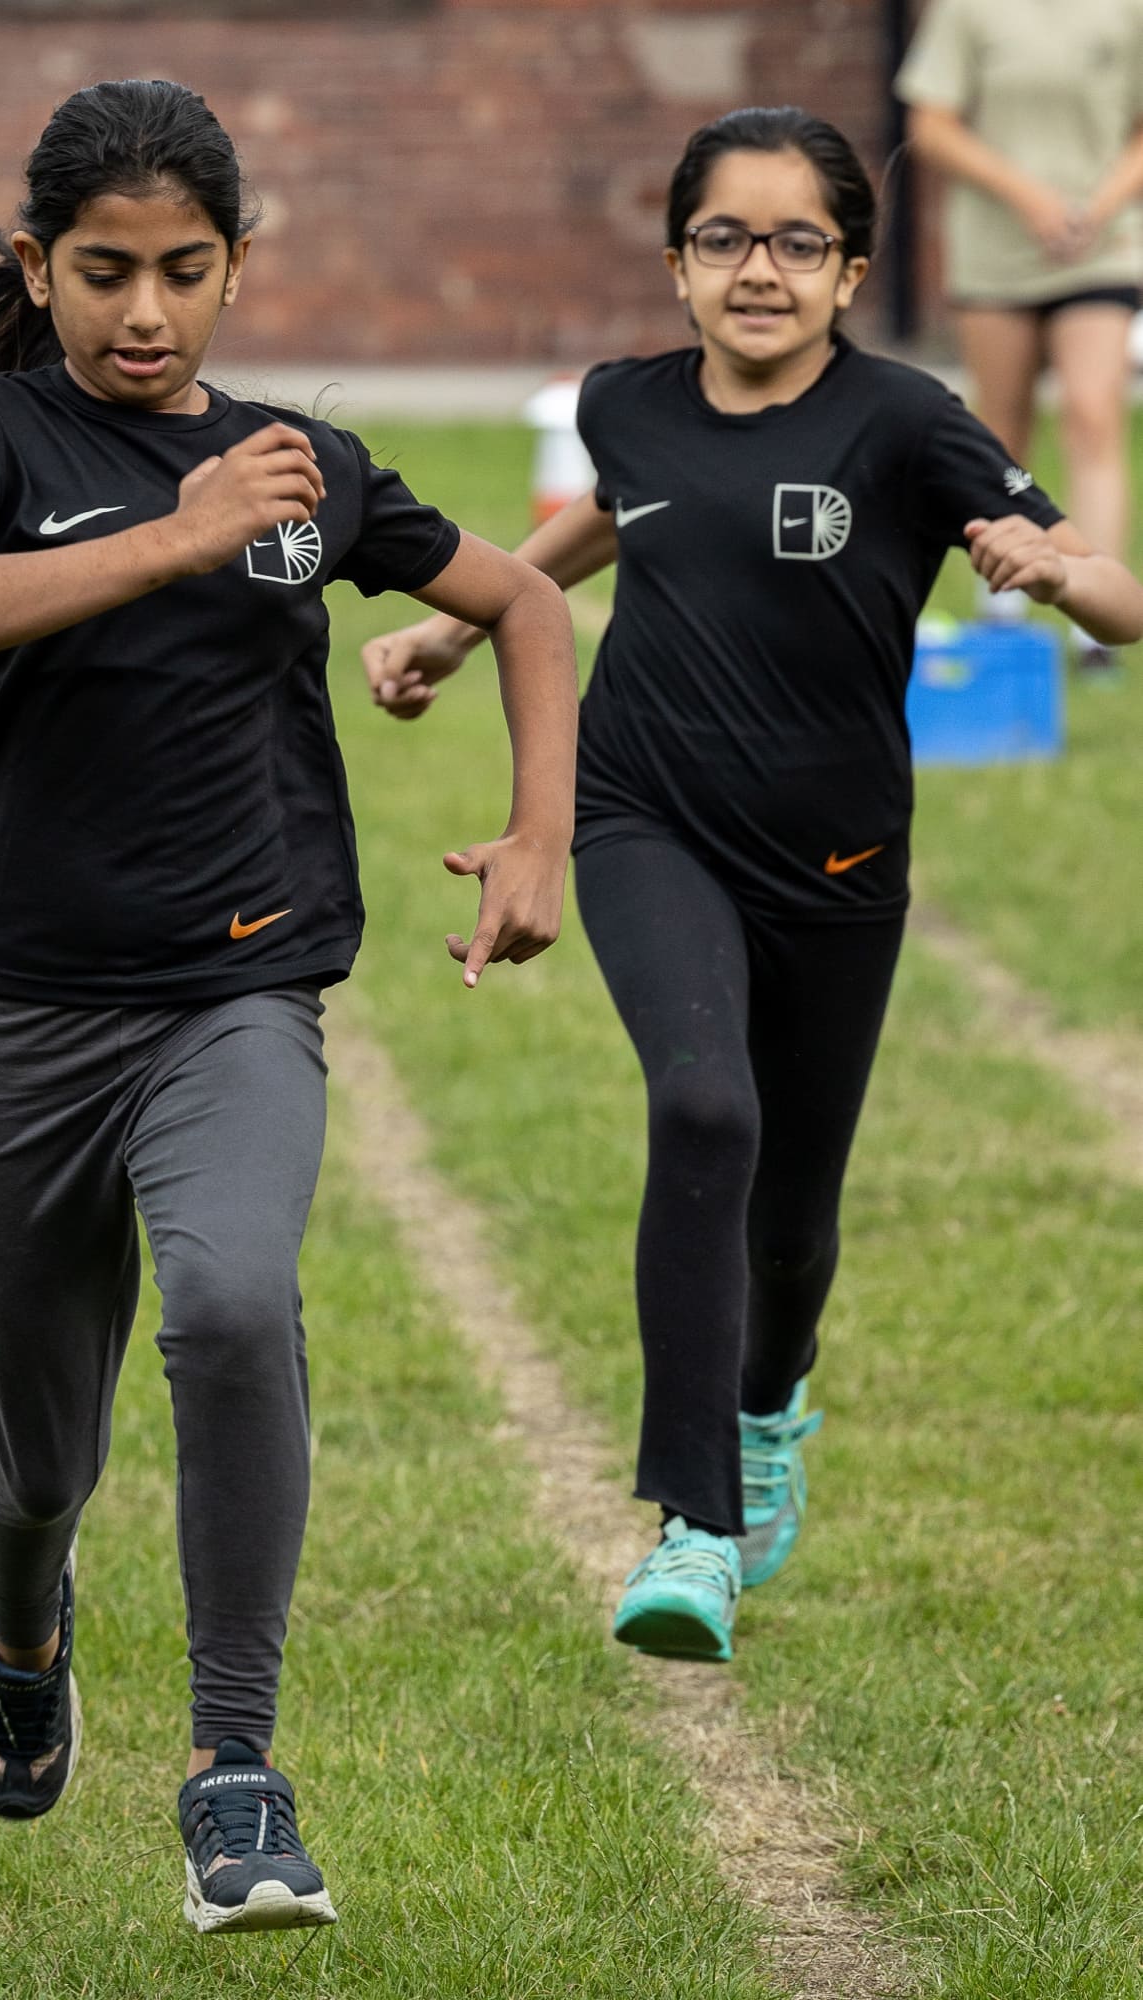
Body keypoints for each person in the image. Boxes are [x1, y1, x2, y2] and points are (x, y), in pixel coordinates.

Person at [0, 77, 576, 1934]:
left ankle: (235, 1774)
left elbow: (527, 605)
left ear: (242, 264)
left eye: (188, 270)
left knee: (241, 1306)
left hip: (237, 991)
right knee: (41, 1456)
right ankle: (19, 1614)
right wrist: (178, 535)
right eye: (103, 272)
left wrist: (534, 839)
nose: (147, 312)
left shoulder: (303, 466)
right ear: (39, 262)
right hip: (20, 1008)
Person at [361, 106, 1143, 1666]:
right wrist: (460, 627)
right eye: (725, 239)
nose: (760, 270)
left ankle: (773, 1405)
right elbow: (611, 515)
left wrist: (1060, 573)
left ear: (852, 269)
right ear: (677, 262)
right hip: (644, 813)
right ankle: (695, 1526)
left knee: (792, 1223)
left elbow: (1124, 601)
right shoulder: (628, 406)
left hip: (839, 861)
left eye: (798, 242)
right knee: (704, 1108)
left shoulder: (910, 426)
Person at [896, 0, 1143, 673]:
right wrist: (1029, 197)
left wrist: (1095, 207)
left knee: (1095, 417)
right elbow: (932, 125)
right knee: (999, 434)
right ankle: (1000, 609)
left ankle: (1094, 630)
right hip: (996, 253)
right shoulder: (968, 10)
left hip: (1101, 247)